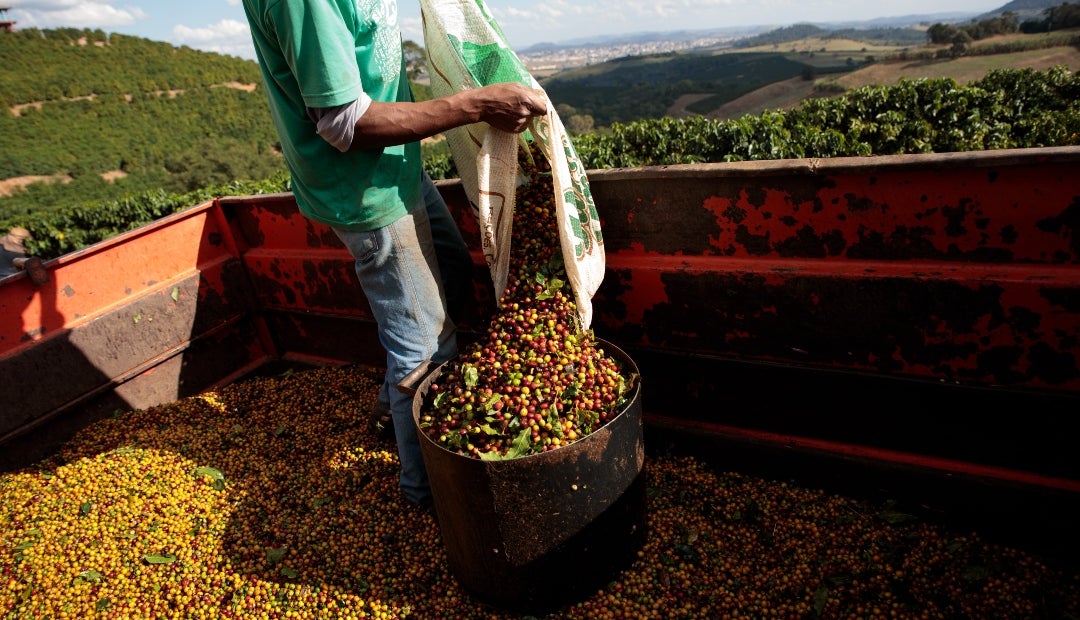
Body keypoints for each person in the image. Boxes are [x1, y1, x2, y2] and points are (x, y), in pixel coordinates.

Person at [242, 0, 547, 508]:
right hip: (365, 187)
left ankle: (393, 412)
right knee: (426, 348)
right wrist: (476, 105)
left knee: (451, 275)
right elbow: (345, 124)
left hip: (396, 166)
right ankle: (425, 495)